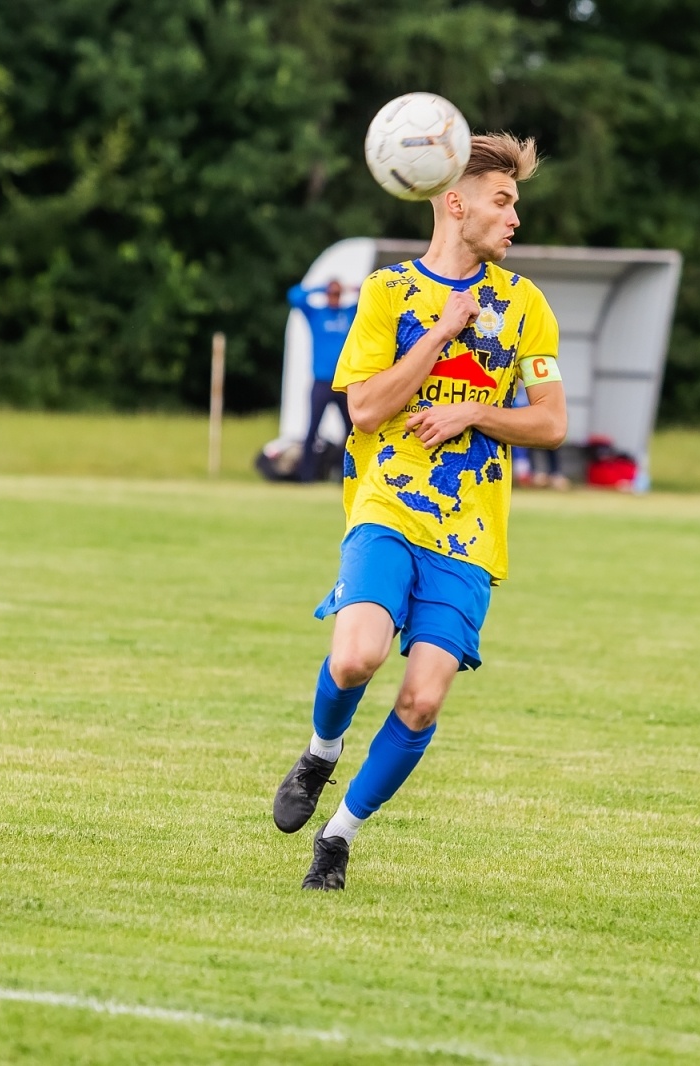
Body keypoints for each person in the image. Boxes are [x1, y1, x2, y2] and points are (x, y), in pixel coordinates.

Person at [269, 134, 565, 891]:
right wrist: (440, 333)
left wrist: (473, 411)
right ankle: (320, 752)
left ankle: (339, 836)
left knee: (423, 698)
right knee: (356, 656)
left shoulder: (527, 307)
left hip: (469, 534)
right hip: (389, 505)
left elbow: (551, 423)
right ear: (456, 202)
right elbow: (364, 409)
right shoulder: (387, 293)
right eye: (504, 201)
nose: (515, 218)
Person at [287, 280, 357, 481]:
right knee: (312, 429)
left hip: (344, 383)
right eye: (331, 294)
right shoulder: (317, 314)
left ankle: (346, 475)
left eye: (337, 294)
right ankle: (306, 475)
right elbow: (294, 296)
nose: (334, 297)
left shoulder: (348, 313)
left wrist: (351, 288)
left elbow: (368, 299)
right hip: (321, 381)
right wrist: (321, 287)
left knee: (352, 431)